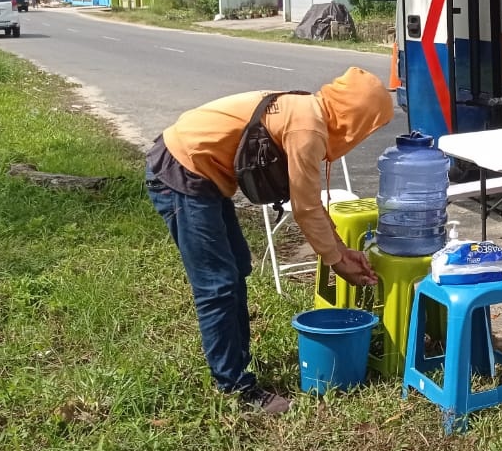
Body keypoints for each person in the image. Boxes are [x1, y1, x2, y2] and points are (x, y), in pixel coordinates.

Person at [144, 67, 393, 413]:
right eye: (370, 124)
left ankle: (235, 364)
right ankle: (234, 388)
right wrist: (338, 262)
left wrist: (340, 251)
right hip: (182, 171)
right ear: (356, 116)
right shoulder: (307, 129)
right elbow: (306, 209)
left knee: (237, 270)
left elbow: (312, 204)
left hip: (202, 173)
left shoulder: (310, 110)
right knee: (218, 285)